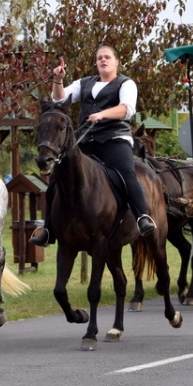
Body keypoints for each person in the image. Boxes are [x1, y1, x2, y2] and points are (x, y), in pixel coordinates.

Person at [29, 46, 157, 247]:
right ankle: (48, 230)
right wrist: (58, 80)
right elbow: (59, 98)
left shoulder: (126, 83)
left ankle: (142, 217)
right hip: (86, 141)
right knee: (56, 178)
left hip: (115, 140)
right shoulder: (85, 83)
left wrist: (102, 114)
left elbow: (127, 109)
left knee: (127, 173)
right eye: (99, 58)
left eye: (107, 57)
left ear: (116, 62)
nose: (103, 60)